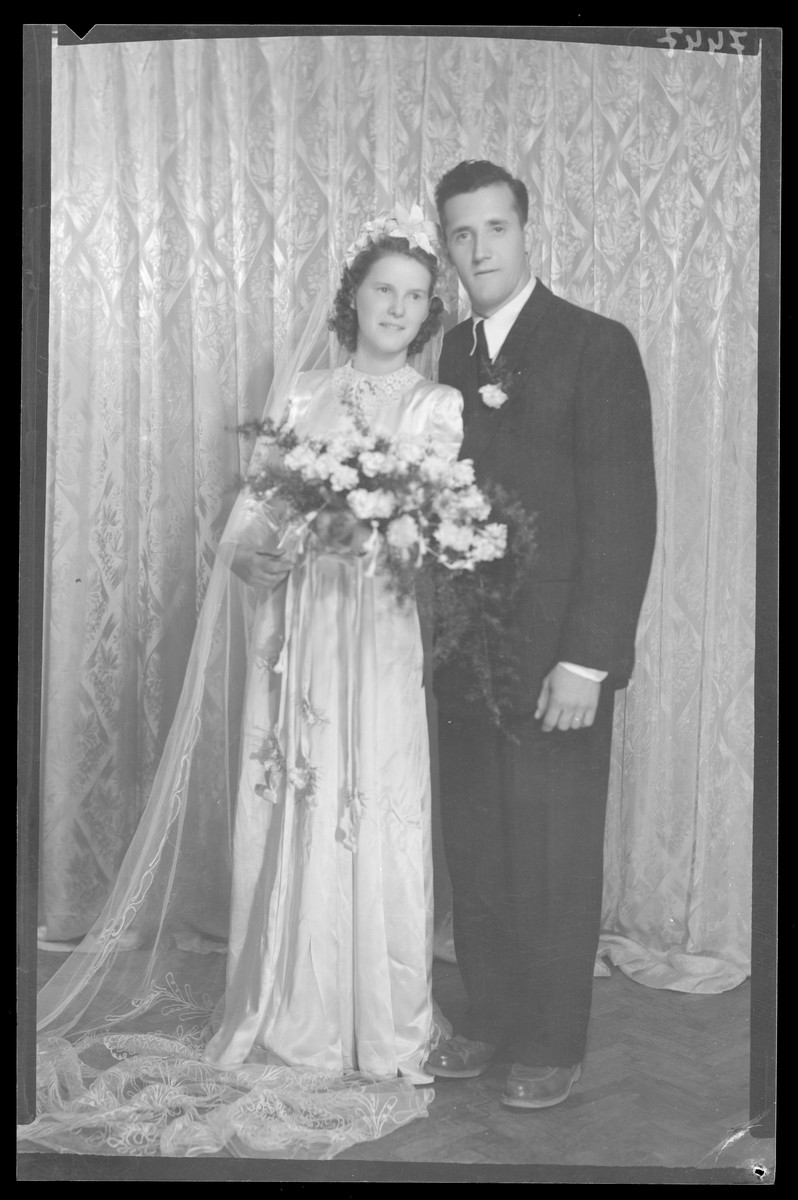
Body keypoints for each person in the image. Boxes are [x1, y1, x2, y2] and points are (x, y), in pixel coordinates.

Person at [21, 209, 464, 1158]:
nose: (397, 307)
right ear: (352, 298)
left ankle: (378, 1021)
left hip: (374, 635)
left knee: (370, 796)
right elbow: (254, 515)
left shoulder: (436, 407)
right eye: (383, 289)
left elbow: (424, 531)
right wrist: (258, 558)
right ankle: (286, 1003)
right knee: (294, 792)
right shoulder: (301, 393)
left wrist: (369, 527)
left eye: (416, 295)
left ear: (429, 314)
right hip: (297, 631)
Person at [427, 161, 657, 1110]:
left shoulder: (595, 345)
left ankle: (553, 1041)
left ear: (527, 231)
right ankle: (489, 1019)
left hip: (559, 655)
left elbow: (624, 512)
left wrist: (588, 659)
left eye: (495, 229)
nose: (479, 250)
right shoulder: (449, 353)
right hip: (465, 655)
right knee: (478, 847)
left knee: (554, 851)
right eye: (462, 235)